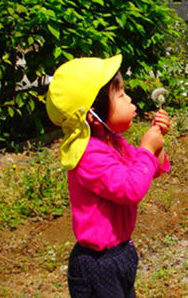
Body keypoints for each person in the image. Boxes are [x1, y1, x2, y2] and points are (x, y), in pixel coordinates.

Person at [45, 55, 170, 297]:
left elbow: (149, 170)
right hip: (97, 266)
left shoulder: (113, 142)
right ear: (93, 115)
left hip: (119, 254)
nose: (130, 99)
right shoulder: (88, 156)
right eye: (121, 94)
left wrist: (158, 143)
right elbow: (131, 189)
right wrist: (146, 148)